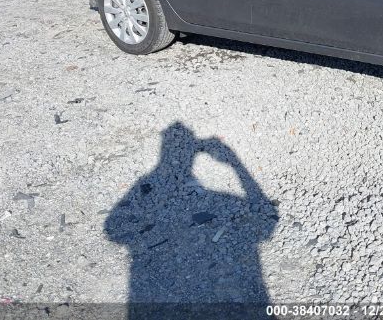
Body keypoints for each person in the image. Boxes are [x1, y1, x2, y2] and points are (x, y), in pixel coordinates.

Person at [104, 122, 277, 318]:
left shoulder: (148, 181)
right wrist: (234, 163)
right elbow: (267, 223)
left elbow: (112, 229)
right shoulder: (220, 198)